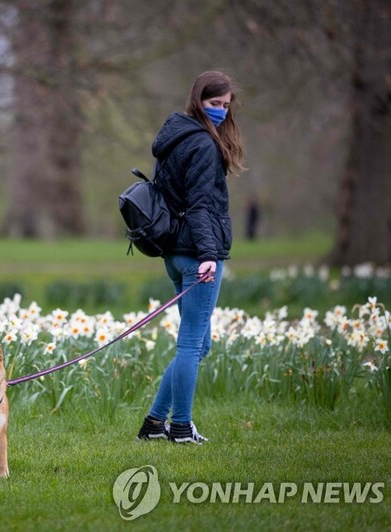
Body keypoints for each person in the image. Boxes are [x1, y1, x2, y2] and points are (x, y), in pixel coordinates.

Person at [135, 70, 244, 444]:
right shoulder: (201, 145)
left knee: (200, 344)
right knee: (191, 344)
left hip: (174, 251)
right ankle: (180, 426)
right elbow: (199, 205)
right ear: (198, 100)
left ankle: (153, 425)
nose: (221, 112)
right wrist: (209, 255)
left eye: (226, 106)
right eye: (215, 104)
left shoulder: (175, 137)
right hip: (197, 253)